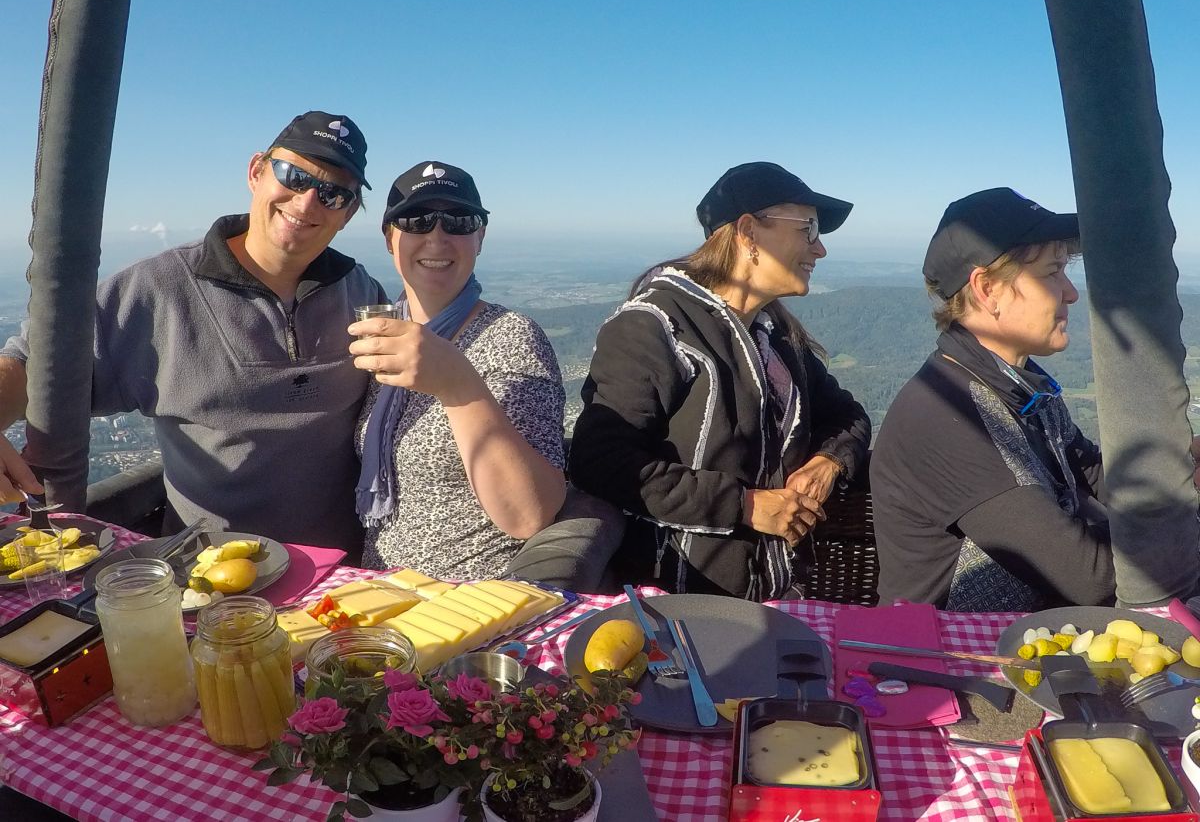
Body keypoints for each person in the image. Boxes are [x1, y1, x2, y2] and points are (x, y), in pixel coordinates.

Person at [0, 111, 386, 555]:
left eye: (334, 193)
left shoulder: (359, 290)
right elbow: (33, 361)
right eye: (294, 175)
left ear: (348, 212)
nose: (307, 202)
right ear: (257, 172)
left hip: (344, 573)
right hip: (219, 579)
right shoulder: (158, 289)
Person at [568, 161, 871, 601]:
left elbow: (847, 416)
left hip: (778, 593)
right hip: (675, 605)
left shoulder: (776, 336)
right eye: (807, 228)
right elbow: (599, 462)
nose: (819, 248)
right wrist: (745, 506)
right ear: (748, 232)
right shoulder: (653, 328)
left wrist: (828, 463)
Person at [871, 187, 1116, 611]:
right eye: (1052, 273)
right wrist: (1173, 523)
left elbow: (1092, 472)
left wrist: (1178, 474)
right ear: (988, 290)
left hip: (1027, 638)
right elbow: (1087, 577)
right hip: (950, 658)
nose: (1071, 293)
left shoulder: (1025, 385)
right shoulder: (948, 415)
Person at [349, 161, 567, 581]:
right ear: (389, 238)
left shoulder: (513, 337)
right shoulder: (380, 333)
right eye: (416, 220)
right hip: (381, 600)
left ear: (479, 237)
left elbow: (528, 515)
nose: (436, 236)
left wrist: (457, 385)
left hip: (472, 606)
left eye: (458, 221)